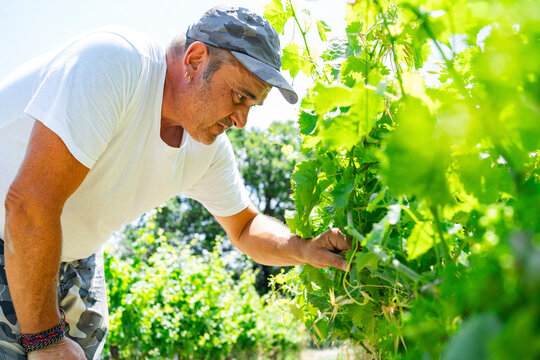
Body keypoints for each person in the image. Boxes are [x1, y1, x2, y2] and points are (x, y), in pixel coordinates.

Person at [0, 6, 351, 360]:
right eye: (239, 97)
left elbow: (244, 227)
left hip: (76, 258)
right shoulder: (114, 64)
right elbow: (30, 203)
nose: (242, 120)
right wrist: (46, 340)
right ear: (195, 60)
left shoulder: (206, 148)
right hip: (12, 237)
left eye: (253, 107)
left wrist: (303, 248)